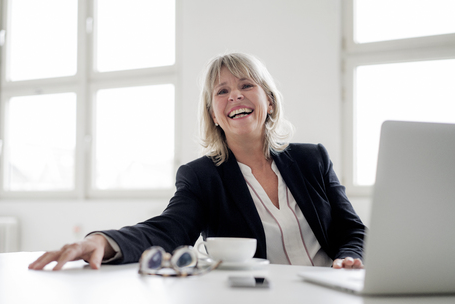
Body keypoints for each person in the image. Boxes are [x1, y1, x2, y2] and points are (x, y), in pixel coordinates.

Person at [29, 53, 365, 271]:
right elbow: (169, 229)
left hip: (331, 293)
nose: (235, 95)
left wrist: (350, 258)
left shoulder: (313, 159)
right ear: (214, 116)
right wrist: (103, 241)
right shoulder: (201, 177)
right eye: (222, 91)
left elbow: (352, 230)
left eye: (247, 85)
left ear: (270, 102)